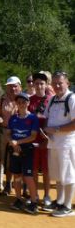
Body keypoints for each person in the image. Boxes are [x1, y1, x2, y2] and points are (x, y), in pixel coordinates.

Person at [43, 71, 75, 217]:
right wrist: (45, 129)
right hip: (53, 143)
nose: (57, 86)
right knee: (57, 174)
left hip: (67, 144)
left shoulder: (72, 99)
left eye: (60, 83)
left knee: (68, 174)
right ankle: (60, 201)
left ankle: (67, 206)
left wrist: (56, 129)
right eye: (54, 83)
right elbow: (46, 117)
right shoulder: (52, 100)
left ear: (67, 83)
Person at [6, 92, 39, 214]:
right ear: (16, 103)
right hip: (15, 150)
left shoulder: (33, 118)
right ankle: (18, 199)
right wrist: (12, 143)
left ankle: (34, 202)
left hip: (27, 150)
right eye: (19, 102)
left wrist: (18, 142)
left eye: (24, 102)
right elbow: (8, 134)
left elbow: (33, 136)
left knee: (28, 177)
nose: (21, 104)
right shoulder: (13, 118)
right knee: (17, 176)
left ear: (28, 103)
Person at [0, 76, 22, 194]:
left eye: (15, 86)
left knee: (19, 160)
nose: (12, 88)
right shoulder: (1, 99)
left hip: (20, 135)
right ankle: (8, 184)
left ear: (20, 87)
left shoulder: (24, 99)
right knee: (7, 160)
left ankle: (21, 186)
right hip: (5, 133)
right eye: (10, 86)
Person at [28, 72, 52, 206]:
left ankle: (47, 195)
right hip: (32, 139)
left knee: (46, 170)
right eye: (36, 83)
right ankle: (35, 194)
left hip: (47, 140)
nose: (39, 86)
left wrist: (48, 136)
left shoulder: (51, 100)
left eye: (42, 83)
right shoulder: (29, 100)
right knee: (34, 169)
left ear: (46, 85)